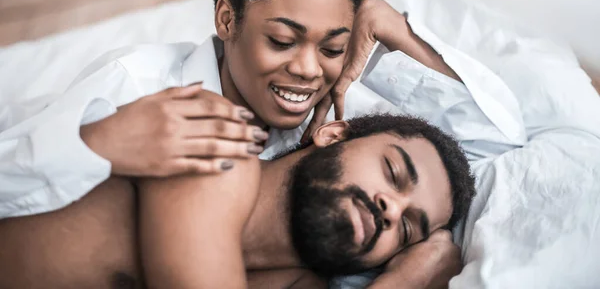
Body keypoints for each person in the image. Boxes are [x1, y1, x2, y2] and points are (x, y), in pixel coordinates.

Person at [0, 0, 522, 286]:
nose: (308, 70)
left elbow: (491, 148)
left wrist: (394, 35)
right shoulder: (146, 91)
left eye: (332, 49)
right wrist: (101, 143)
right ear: (227, 20)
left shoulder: (319, 130)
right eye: (281, 39)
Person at [0, 110, 476, 288]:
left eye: (408, 228)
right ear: (333, 135)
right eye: (393, 172)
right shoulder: (218, 152)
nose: (391, 209)